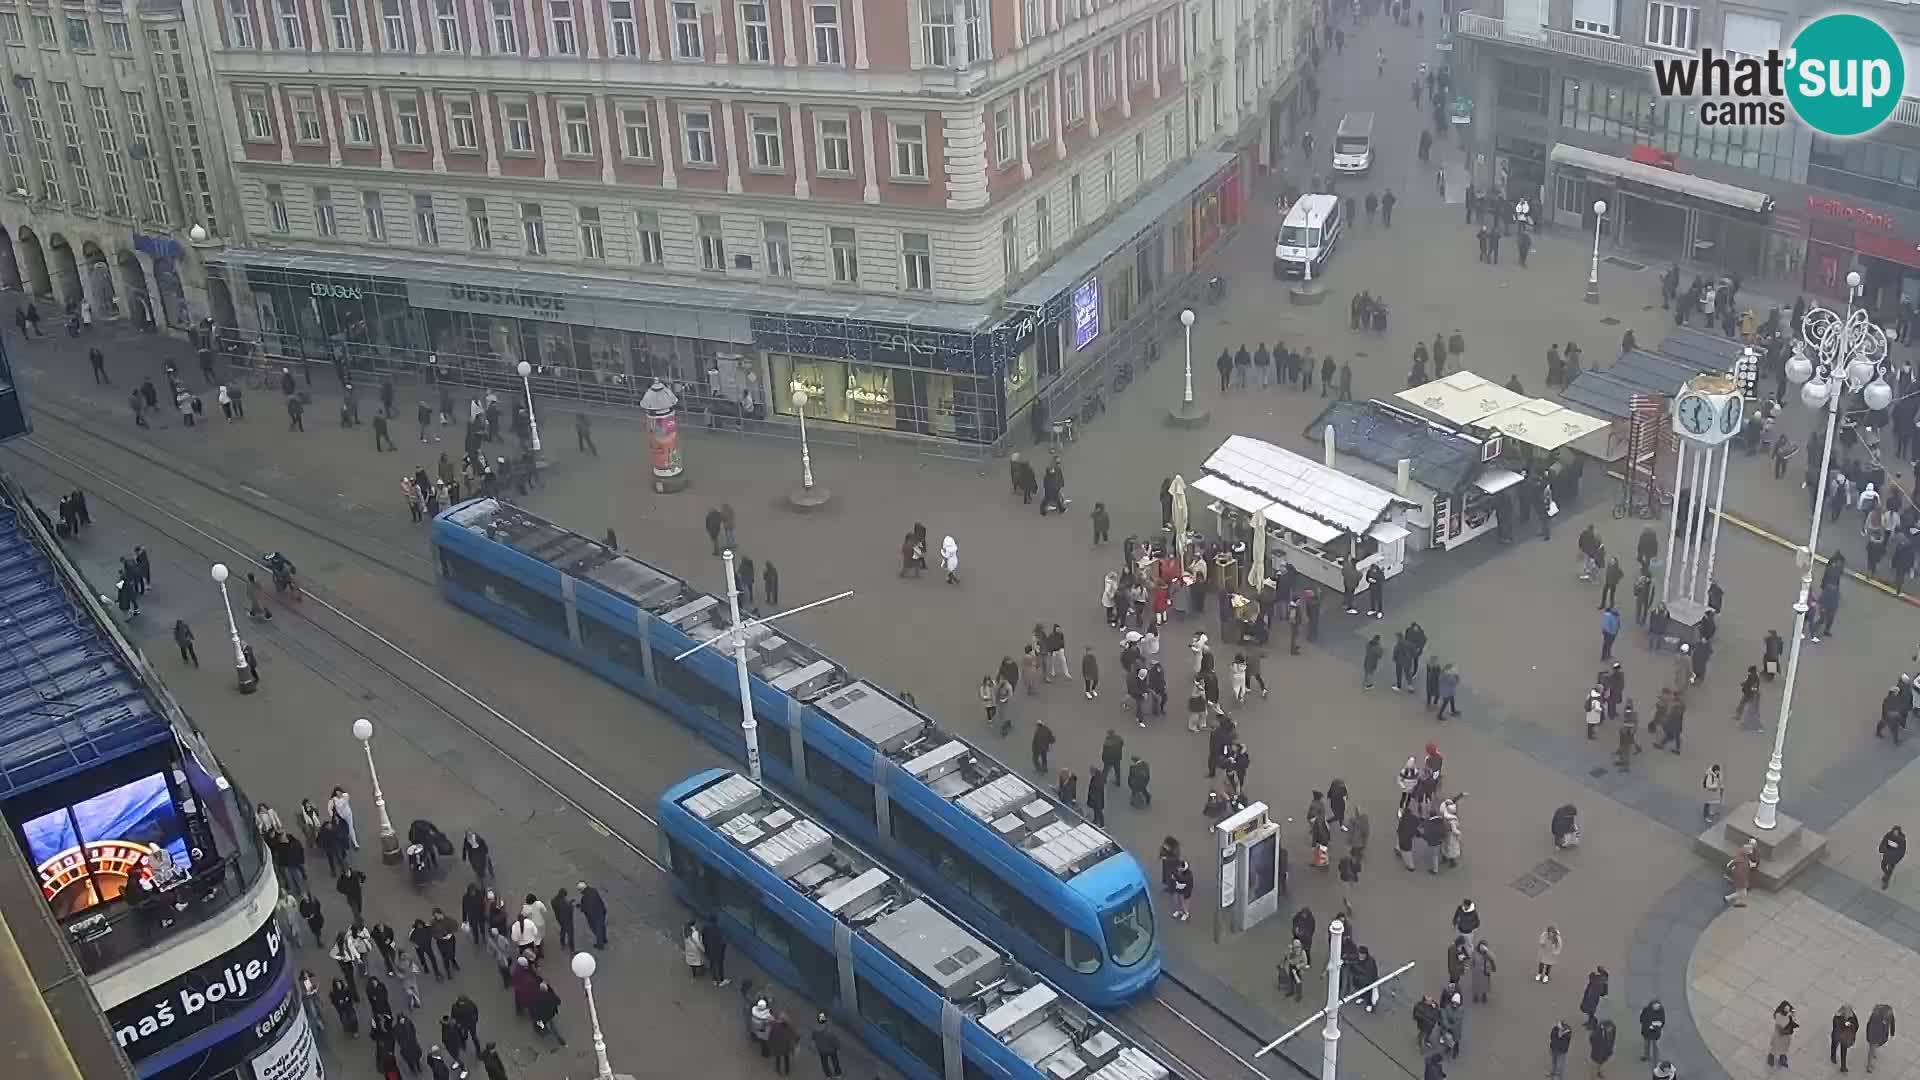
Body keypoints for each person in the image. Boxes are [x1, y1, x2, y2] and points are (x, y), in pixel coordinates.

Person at [811, 1013, 843, 1078]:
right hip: (831, 1050)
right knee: (835, 1062)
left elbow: (813, 1040)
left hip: (822, 1050)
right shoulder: (828, 1031)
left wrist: (814, 1048)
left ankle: (828, 1075)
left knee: (824, 1063)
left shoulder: (815, 1031)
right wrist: (838, 1047)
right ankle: (838, 1074)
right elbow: (834, 1040)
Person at [1865, 1004, 1895, 1072]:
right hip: (1874, 1036)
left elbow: (1892, 1023)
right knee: (1871, 1050)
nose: (1889, 1015)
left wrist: (1892, 1032)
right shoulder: (1876, 1017)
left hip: (1881, 1036)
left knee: (1874, 1048)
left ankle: (1873, 1053)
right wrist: (1869, 1037)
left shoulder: (1890, 1015)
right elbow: (1869, 1025)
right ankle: (1869, 1066)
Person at [1726, 842, 1758, 907]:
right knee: (1743, 893)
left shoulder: (1742, 858)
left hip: (1739, 877)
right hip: (1741, 878)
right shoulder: (1742, 861)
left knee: (1739, 891)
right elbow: (1744, 868)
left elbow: (1731, 864)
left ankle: (1738, 903)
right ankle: (1727, 898)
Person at [1771, 1001, 1799, 1069]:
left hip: (1786, 1036)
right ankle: (1771, 1057)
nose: (1787, 1012)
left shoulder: (1788, 1016)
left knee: (1784, 1048)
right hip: (1780, 1034)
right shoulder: (1779, 1016)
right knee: (1775, 1047)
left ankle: (1782, 1058)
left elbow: (1793, 1017)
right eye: (1786, 1011)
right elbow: (1781, 1026)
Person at [1835, 1005, 1861, 1072]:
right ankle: (1843, 1067)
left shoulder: (1838, 1016)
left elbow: (1836, 1024)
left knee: (1841, 1050)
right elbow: (1857, 1026)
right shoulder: (1852, 1016)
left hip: (1842, 1037)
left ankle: (1841, 1065)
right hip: (1845, 1037)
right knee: (1843, 1051)